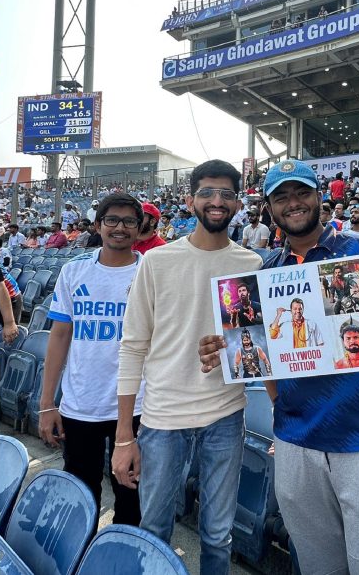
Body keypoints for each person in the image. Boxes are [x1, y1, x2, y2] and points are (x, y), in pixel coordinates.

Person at [198, 158, 359, 575]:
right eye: (281, 197)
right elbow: (258, 356)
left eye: (302, 192)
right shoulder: (265, 271)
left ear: (321, 198)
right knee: (319, 565)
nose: (294, 203)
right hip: (295, 442)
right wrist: (227, 350)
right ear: (269, 208)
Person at [111, 160, 262, 573]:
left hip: (226, 416)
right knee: (154, 529)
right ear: (191, 199)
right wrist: (125, 436)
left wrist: (230, 352)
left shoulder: (251, 264)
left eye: (227, 194)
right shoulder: (158, 263)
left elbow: (253, 348)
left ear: (237, 203)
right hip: (163, 419)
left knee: (217, 536)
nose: (217, 202)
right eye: (209, 193)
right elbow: (133, 347)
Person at [37, 192, 144, 526]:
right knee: (80, 498)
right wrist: (47, 402)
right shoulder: (74, 271)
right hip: (82, 403)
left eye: (129, 221)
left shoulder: (149, 272)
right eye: (112, 220)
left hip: (139, 404)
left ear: (140, 229)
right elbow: (59, 337)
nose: (120, 227)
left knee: (131, 496)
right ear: (98, 225)